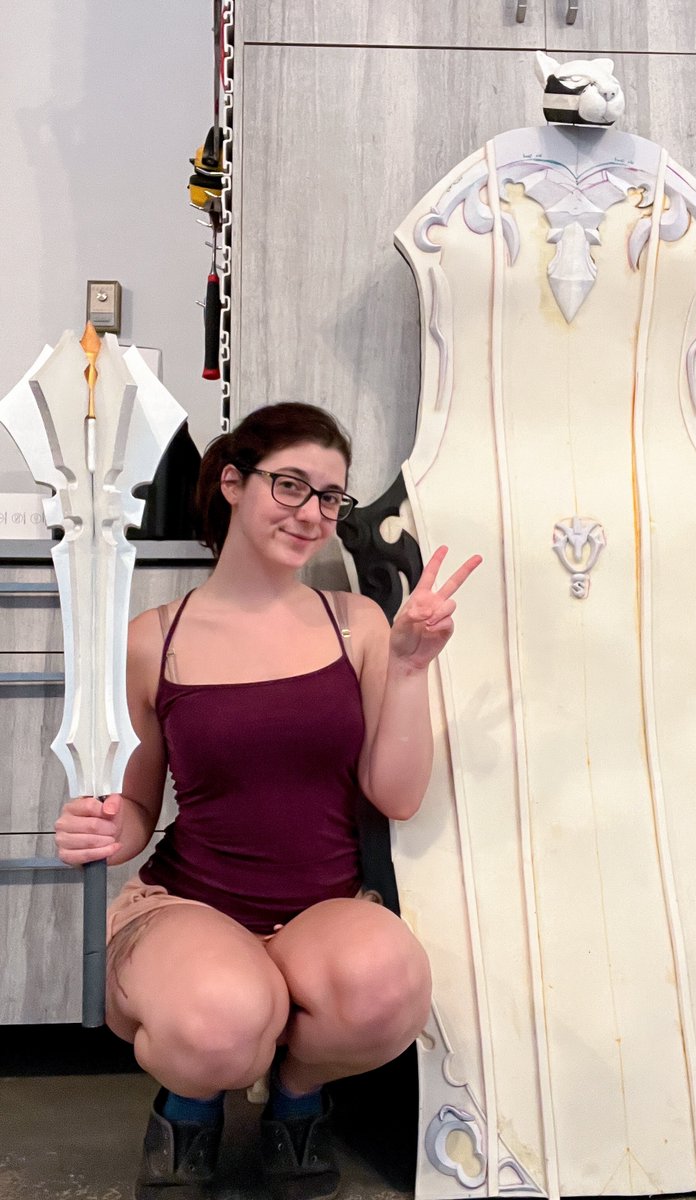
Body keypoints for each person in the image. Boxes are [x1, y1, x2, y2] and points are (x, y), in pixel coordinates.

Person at [53, 402, 481, 1200]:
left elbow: (397, 795)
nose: (312, 512)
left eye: (330, 496)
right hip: (191, 905)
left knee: (391, 990)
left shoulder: (356, 623)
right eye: (290, 485)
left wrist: (411, 665)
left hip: (323, 910)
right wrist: (99, 828)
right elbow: (137, 809)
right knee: (219, 1023)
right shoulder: (153, 639)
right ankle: (190, 1103)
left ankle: (297, 1095)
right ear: (232, 483)